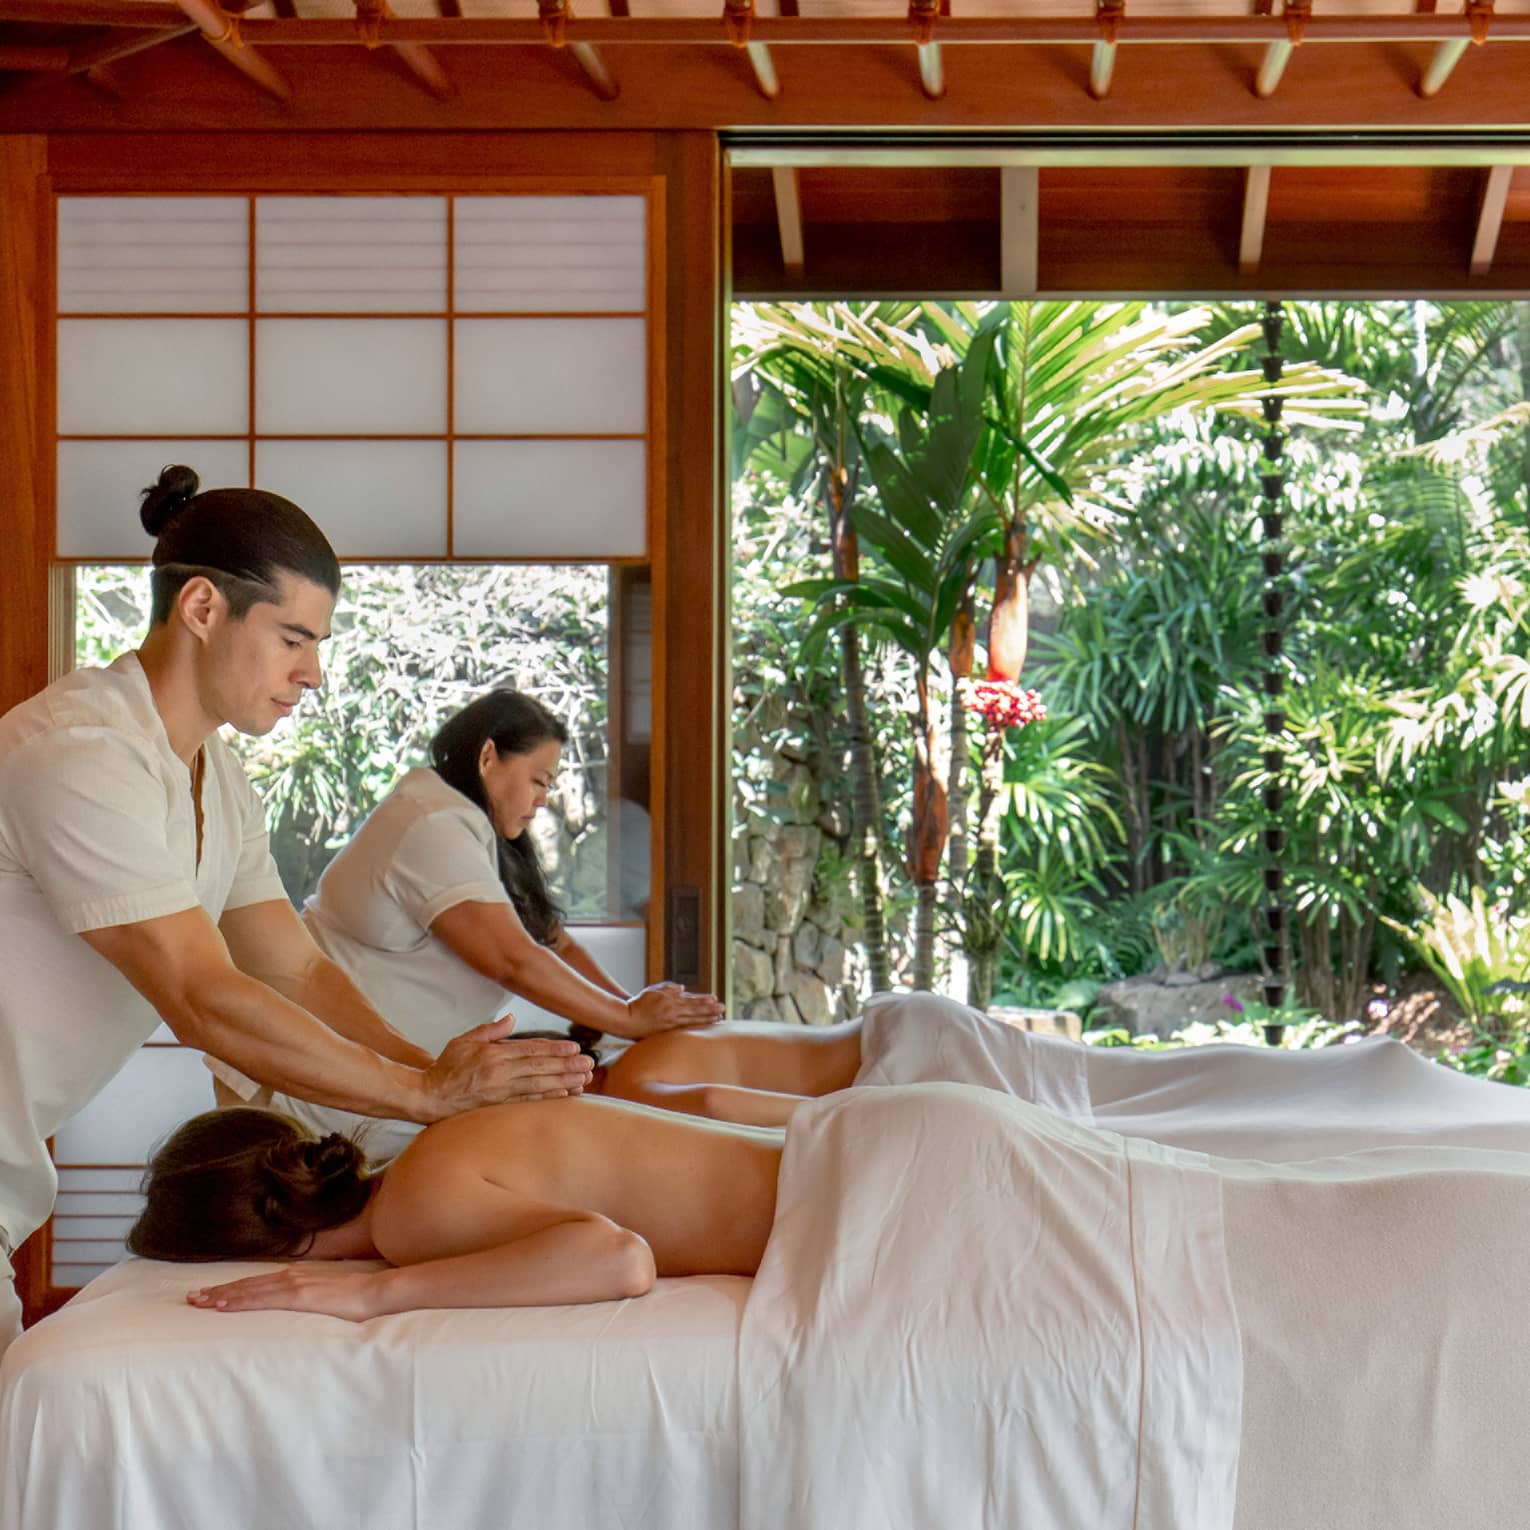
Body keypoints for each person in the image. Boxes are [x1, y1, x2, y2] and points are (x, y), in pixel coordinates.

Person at [0, 466, 589, 1356]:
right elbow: (200, 996)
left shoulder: (219, 778)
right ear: (202, 609)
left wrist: (434, 1074)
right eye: (292, 639)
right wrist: (424, 1096)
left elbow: (293, 965)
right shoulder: (82, 755)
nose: (312, 673)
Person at [243, 689, 723, 1157]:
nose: (543, 800)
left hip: (396, 1088)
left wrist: (630, 1013)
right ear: (488, 756)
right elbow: (512, 959)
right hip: (326, 1091)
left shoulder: (476, 834)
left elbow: (552, 944)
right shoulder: (430, 823)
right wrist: (630, 1019)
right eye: (538, 780)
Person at [137, 1098, 780, 1317]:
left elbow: (619, 1261)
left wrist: (374, 1298)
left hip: (845, 1198)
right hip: (837, 1156)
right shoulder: (429, 1153)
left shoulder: (406, 1217)